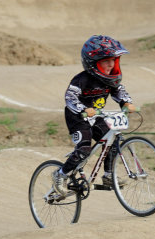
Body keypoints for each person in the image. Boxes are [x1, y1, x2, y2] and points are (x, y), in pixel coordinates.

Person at [52, 35, 136, 195]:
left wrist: (126, 102)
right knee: (84, 149)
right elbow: (70, 97)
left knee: (112, 140)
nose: (111, 64)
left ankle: (109, 175)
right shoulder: (81, 80)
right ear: (93, 63)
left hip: (97, 117)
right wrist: (83, 109)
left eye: (113, 59)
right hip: (77, 118)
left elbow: (119, 91)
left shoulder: (110, 80)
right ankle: (60, 174)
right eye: (106, 60)